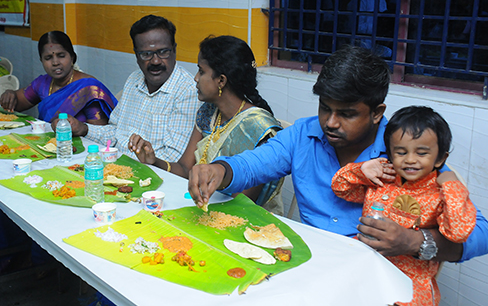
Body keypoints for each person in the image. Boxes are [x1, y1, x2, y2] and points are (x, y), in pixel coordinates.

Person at [188, 46, 488, 266]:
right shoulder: (303, 135)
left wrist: (413, 241)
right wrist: (220, 170)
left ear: (376, 113)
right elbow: (254, 164)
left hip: (375, 278)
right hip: (310, 265)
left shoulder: (405, 154)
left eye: (346, 114)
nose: (330, 122)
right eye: (325, 108)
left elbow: (480, 234)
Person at [332, 106, 476, 306]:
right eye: (400, 152)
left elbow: (458, 232)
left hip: (411, 282)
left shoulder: (439, 193)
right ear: (390, 153)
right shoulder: (384, 179)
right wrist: (362, 170)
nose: (410, 160)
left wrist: (452, 185)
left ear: (441, 158)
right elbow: (340, 187)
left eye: (422, 153)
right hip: (366, 267)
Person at [128, 35, 283, 211]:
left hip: (243, 221)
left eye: (201, 71)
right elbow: (186, 169)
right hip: (206, 208)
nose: (195, 78)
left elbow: (239, 205)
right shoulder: (208, 112)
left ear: (221, 81)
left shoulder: (257, 128)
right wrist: (154, 160)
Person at [54, 14, 200, 162]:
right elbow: (115, 133)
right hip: (115, 164)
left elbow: (174, 159)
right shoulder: (134, 80)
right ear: (136, 56)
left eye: (163, 52)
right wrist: (83, 128)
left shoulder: (187, 91)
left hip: (152, 176)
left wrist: (146, 158)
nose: (155, 61)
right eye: (146, 54)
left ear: (174, 50)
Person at [0, 31, 117, 124]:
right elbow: (16, 104)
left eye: (61, 56)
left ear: (72, 57)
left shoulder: (88, 89)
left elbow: (99, 134)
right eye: (48, 58)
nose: (55, 62)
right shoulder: (42, 83)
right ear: (41, 61)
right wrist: (10, 95)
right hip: (48, 145)